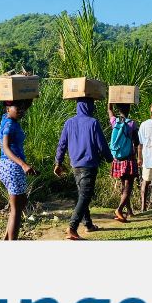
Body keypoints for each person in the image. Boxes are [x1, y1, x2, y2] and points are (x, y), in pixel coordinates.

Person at [54, 98, 112, 240]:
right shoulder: (93, 123)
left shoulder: (69, 123)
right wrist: (110, 159)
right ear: (89, 106)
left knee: (82, 195)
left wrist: (58, 162)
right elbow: (102, 145)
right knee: (85, 196)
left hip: (76, 166)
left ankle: (88, 224)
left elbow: (62, 144)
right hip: (89, 165)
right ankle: (72, 227)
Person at [0, 99, 38, 240]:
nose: (22, 110)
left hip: (7, 167)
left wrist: (27, 85)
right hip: (12, 167)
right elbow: (6, 147)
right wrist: (23, 165)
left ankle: (6, 239)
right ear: (7, 107)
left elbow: (28, 102)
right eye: (18, 107)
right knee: (16, 209)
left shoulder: (6, 118)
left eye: (23, 107)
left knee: (20, 203)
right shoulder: (9, 124)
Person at [107, 101, 139, 222]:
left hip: (118, 159)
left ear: (118, 109)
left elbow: (109, 111)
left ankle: (129, 211)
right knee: (128, 186)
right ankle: (119, 209)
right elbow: (137, 142)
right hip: (129, 159)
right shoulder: (131, 124)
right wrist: (138, 156)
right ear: (129, 109)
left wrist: (110, 100)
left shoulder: (114, 121)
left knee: (123, 186)